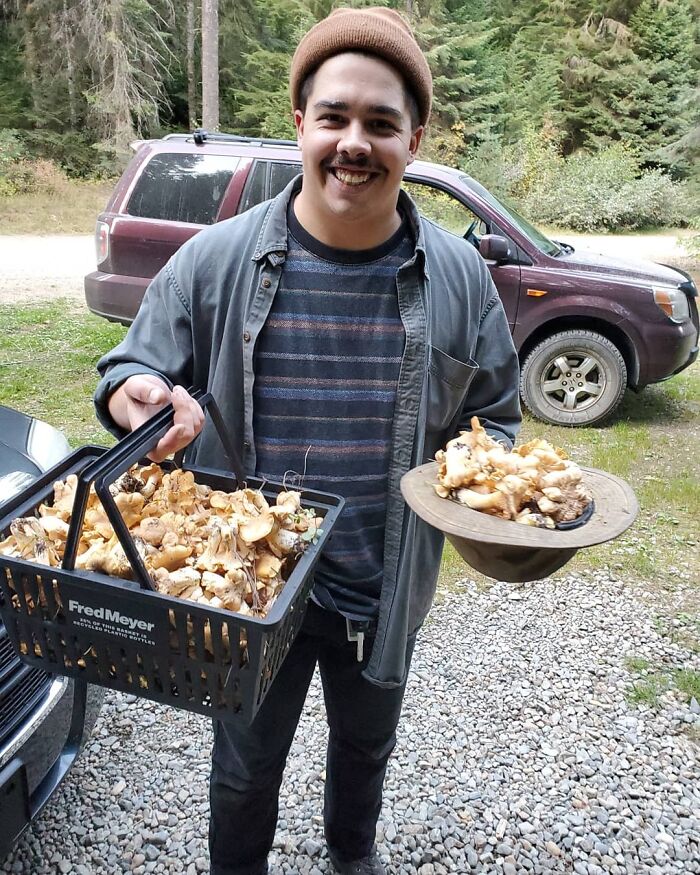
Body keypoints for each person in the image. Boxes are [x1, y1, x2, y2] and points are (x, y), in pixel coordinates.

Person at [94, 8, 521, 874]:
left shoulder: (461, 278)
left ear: (414, 138)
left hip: (383, 582)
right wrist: (133, 396)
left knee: (366, 748)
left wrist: (492, 492)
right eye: (334, 116)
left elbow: (496, 416)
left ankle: (350, 854)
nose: (354, 142)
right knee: (244, 768)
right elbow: (130, 369)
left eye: (380, 123)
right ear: (300, 123)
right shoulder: (213, 261)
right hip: (251, 593)